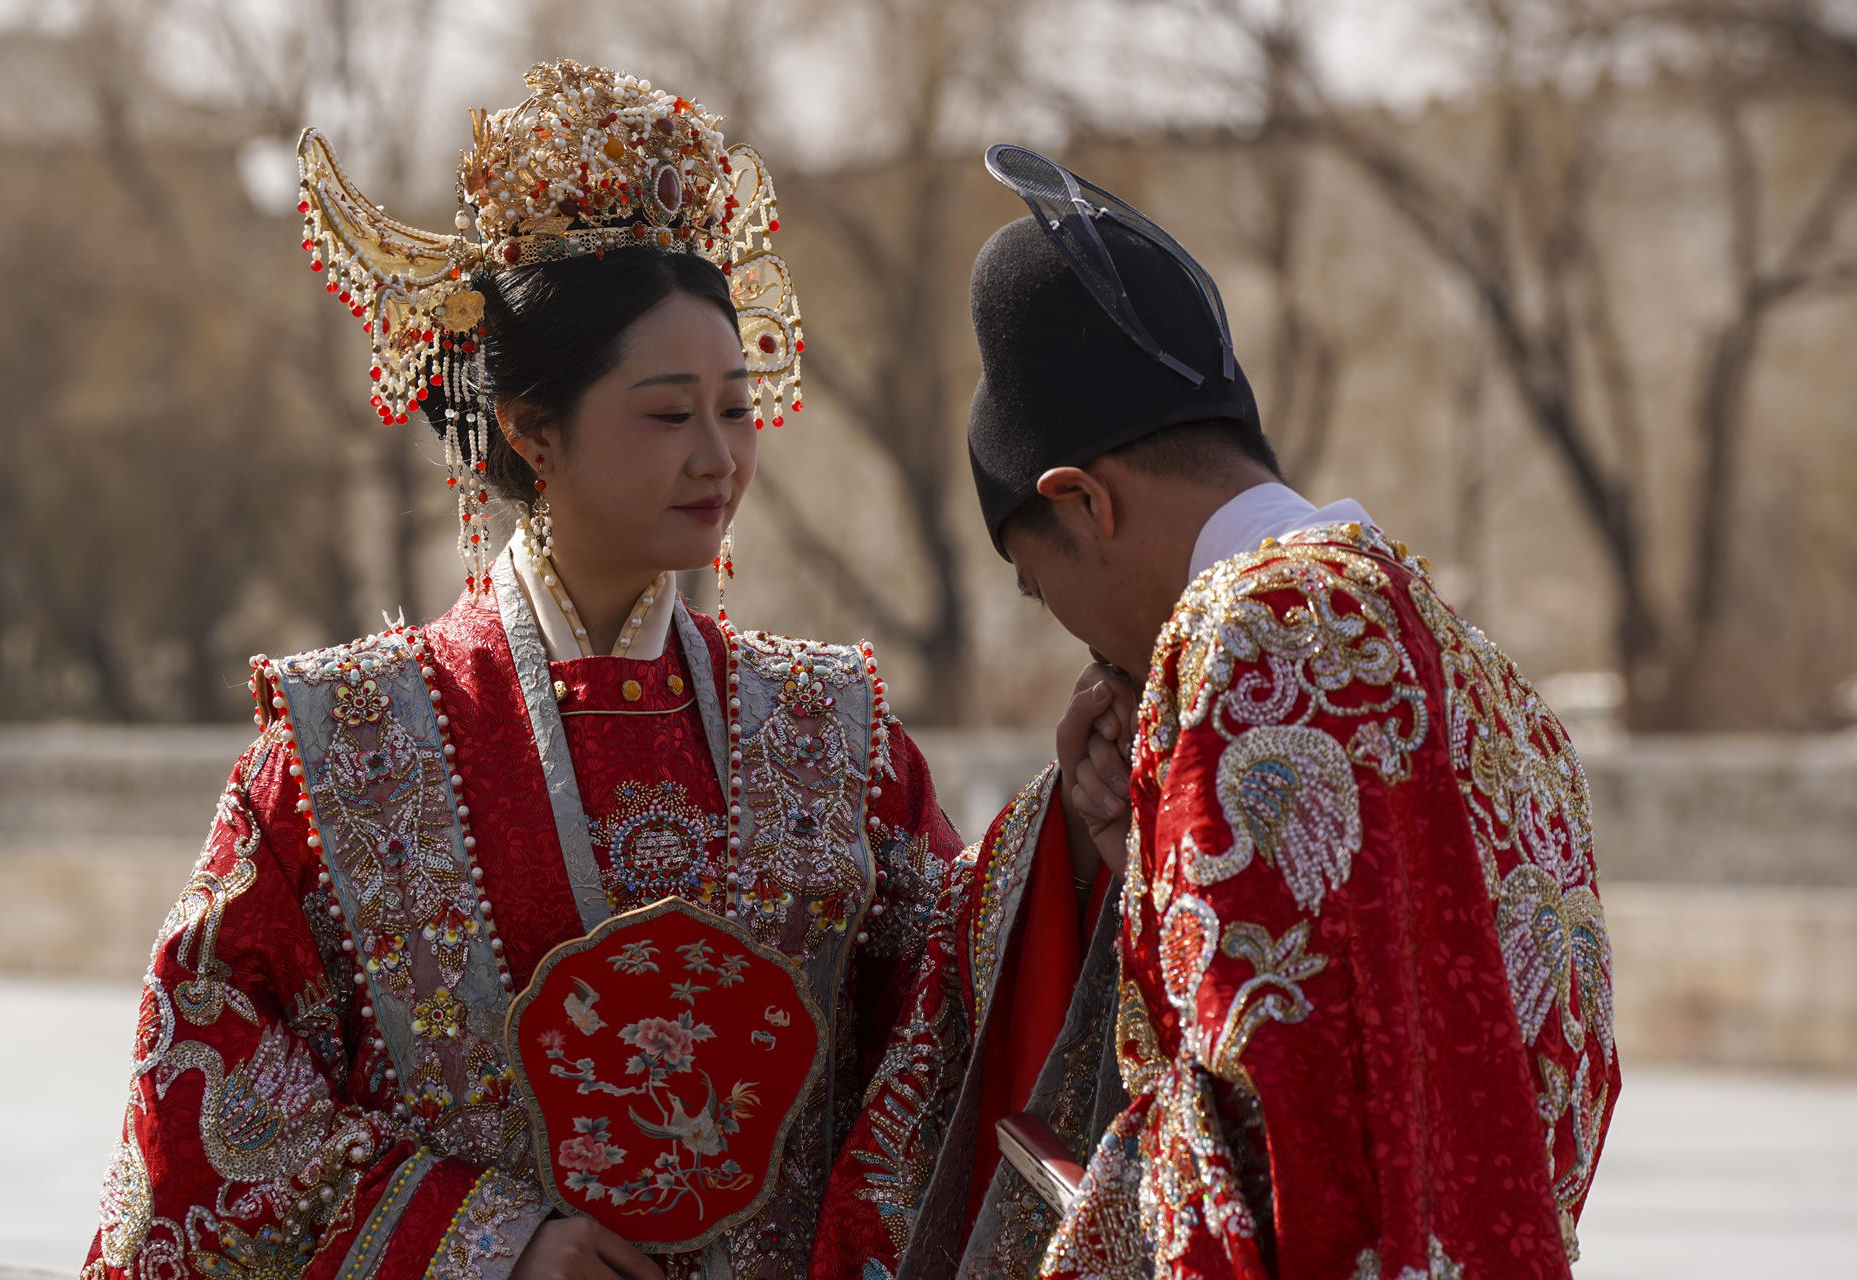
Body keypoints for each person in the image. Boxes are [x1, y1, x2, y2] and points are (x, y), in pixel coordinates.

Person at [82, 64, 1083, 1280]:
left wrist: (1071, 821)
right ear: (529, 428)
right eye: (669, 416)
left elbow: (949, 1014)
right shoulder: (345, 746)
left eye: (738, 407)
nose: (720, 457)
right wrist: (491, 1241)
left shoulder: (830, 729)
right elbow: (212, 1096)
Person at [956, 147, 1620, 1279]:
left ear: (1081, 500)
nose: (1070, 633)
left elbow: (1253, 1155)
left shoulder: (1252, 628)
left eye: (1039, 581)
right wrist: (1142, 851)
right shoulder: (1480, 666)